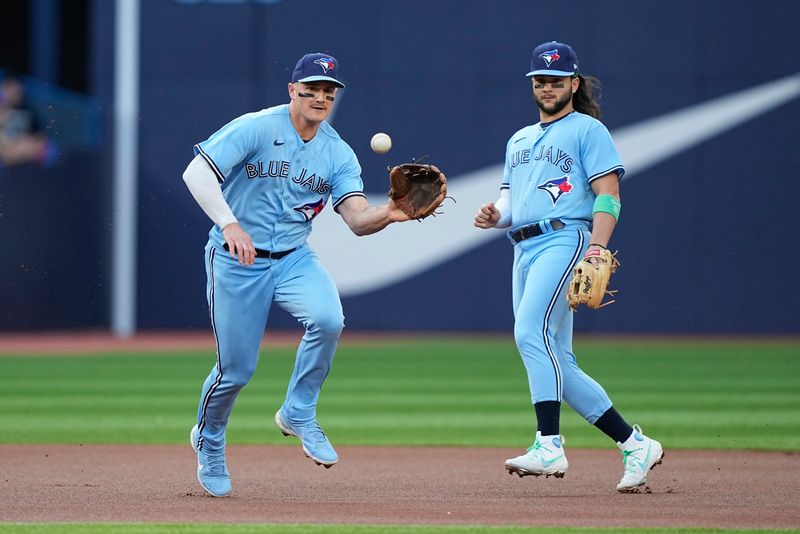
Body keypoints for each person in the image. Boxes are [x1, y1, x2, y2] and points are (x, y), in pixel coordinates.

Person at [182, 52, 418, 497]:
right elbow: (196, 173)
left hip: (292, 257)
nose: (320, 97)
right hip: (237, 259)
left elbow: (356, 219)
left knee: (329, 319)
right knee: (235, 370)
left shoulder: (338, 153)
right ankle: (209, 440)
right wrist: (229, 223)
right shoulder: (257, 126)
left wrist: (390, 212)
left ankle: (298, 411)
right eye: (311, 89)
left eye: (329, 91)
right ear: (292, 90)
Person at [473, 41, 664, 493]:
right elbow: (510, 200)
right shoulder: (518, 138)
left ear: (573, 84)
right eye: (540, 80)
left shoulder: (587, 130)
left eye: (557, 81)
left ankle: (549, 443)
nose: (547, 87)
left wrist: (598, 248)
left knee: (527, 332)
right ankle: (635, 443)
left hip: (567, 238)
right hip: (522, 246)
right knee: (558, 358)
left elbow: (608, 193)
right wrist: (494, 215)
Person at [0, 74, 54, 167]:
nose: (12, 94)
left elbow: (41, 138)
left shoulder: (27, 111)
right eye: (9, 89)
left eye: (16, 91)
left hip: (20, 155)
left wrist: (27, 144)